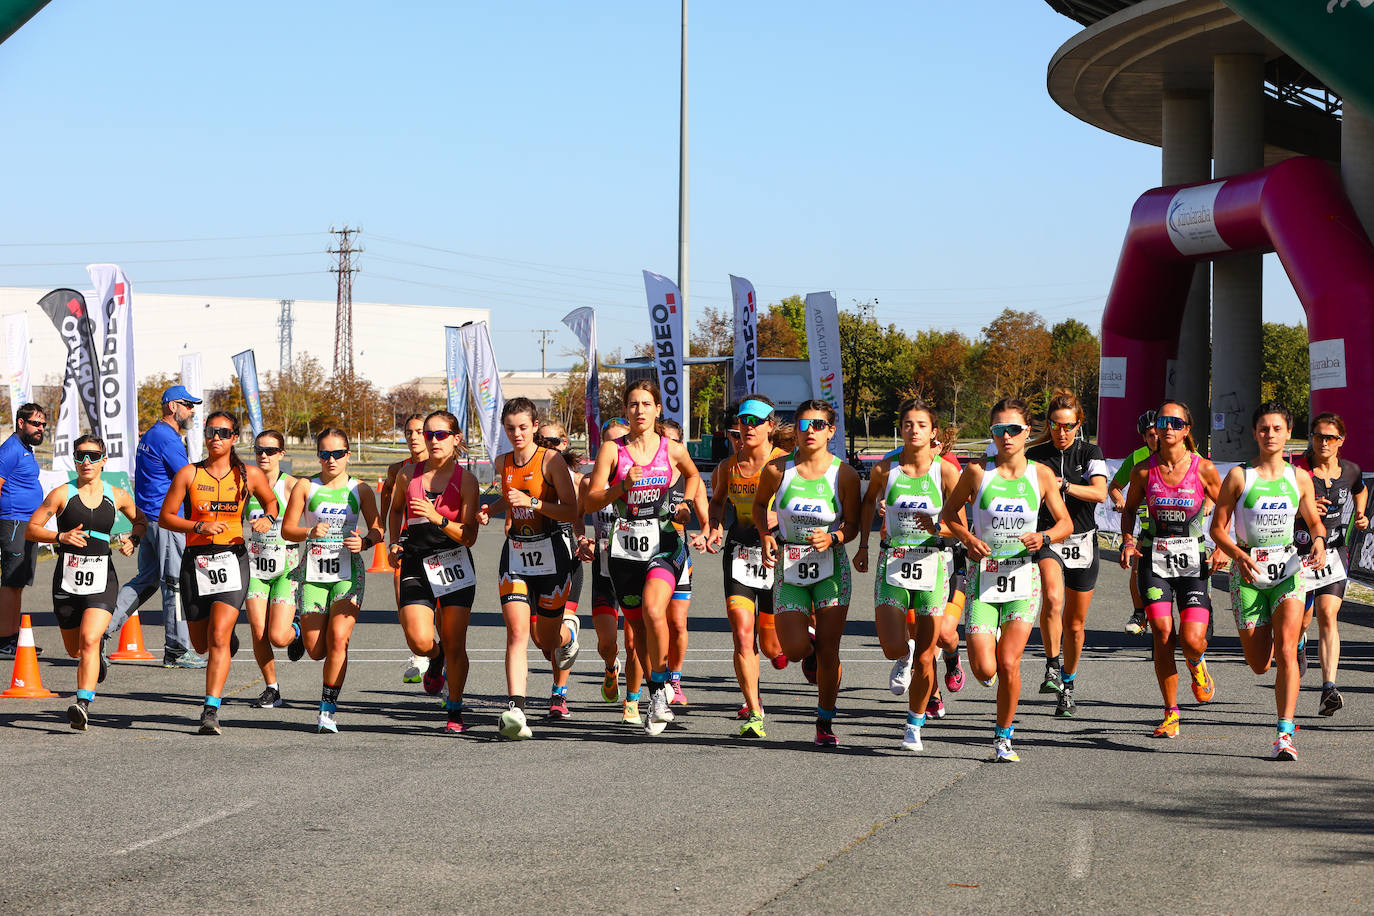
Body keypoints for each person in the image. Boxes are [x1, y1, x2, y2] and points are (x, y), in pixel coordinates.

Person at [943, 398, 1071, 762]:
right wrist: (968, 539)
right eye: (999, 430)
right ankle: (993, 671)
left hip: (1022, 577)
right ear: (992, 434)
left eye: (1014, 429)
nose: (1007, 436)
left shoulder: (1040, 474)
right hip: (983, 578)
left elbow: (1065, 524)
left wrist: (1044, 537)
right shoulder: (977, 472)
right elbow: (950, 514)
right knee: (986, 668)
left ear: (1027, 432)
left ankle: (1003, 736)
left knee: (1010, 662)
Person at [586, 381, 708, 737]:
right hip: (624, 548)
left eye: (646, 404)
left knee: (656, 611)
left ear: (657, 410)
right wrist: (621, 487)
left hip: (665, 542)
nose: (639, 410)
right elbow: (592, 501)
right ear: (626, 410)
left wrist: (684, 504)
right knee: (637, 629)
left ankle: (663, 683)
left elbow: (694, 475)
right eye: (633, 404)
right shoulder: (612, 450)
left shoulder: (672, 448)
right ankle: (656, 694)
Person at [1210, 402, 1326, 760]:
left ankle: (1284, 733)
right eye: (1264, 428)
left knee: (1287, 652)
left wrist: (1319, 540)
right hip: (1247, 572)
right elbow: (1217, 528)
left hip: (1288, 570)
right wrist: (1239, 554)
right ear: (1255, 433)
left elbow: (1313, 520)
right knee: (1260, 663)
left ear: (1289, 433)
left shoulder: (1299, 478)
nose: (1270, 434)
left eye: (1277, 428)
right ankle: (1285, 636)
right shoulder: (1239, 477)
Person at [159, 411, 279, 735]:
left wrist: (268, 517)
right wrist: (198, 525)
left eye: (224, 432)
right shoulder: (188, 474)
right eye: (212, 431)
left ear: (234, 438)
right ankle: (224, 639)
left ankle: (210, 710)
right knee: (201, 644)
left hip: (232, 559)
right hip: (196, 560)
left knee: (218, 636)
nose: (216, 437)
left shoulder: (248, 474)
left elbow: (271, 502)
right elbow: (165, 517)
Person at [854, 398, 961, 752]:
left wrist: (941, 527)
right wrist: (865, 546)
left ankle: (914, 724)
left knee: (928, 654)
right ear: (900, 429)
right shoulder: (886, 470)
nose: (913, 430)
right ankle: (905, 652)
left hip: (932, 564)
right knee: (892, 646)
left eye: (921, 425)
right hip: (893, 563)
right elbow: (868, 501)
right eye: (908, 424)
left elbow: (965, 523)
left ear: (934, 433)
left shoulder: (944, 471)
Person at [753, 399, 861, 747]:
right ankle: (809, 646)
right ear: (795, 430)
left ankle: (825, 720)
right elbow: (758, 506)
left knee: (830, 650)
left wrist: (833, 537)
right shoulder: (776, 470)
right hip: (789, 565)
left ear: (831, 431)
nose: (810, 431)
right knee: (795, 649)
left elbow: (854, 525)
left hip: (831, 569)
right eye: (803, 425)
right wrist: (766, 534)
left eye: (818, 425)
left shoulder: (843, 474)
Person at [476, 397, 581, 740]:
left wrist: (534, 502)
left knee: (547, 641)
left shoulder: (550, 460)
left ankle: (569, 635)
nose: (516, 434)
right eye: (510, 428)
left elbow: (571, 510)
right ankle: (516, 708)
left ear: (535, 426)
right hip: (517, 555)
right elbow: (510, 496)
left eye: (522, 427)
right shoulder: (502, 461)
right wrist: (489, 509)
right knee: (517, 632)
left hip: (551, 553)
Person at [24, 435, 145, 729]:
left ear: (104, 460)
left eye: (92, 455)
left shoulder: (117, 495)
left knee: (90, 639)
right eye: (80, 456)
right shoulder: (61, 494)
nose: (86, 462)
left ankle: (82, 703)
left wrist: (134, 539)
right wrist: (59, 536)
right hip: (67, 580)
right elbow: (31, 529)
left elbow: (140, 520)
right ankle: (96, 660)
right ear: (74, 460)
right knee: (74, 649)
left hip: (103, 577)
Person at [1119, 400, 1223, 738]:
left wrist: (1221, 546)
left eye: (1176, 423)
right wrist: (1127, 541)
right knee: (1162, 633)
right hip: (1154, 557)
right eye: (1164, 422)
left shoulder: (1203, 469)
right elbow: (1130, 508)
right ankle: (1171, 712)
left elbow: (1226, 506)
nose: (1168, 428)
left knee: (1192, 641)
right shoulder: (1143, 470)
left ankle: (1196, 664)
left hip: (1192, 559)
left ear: (1186, 430)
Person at [281, 428, 383, 733]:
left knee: (339, 638)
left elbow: (377, 530)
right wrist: (309, 532)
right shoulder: (305, 486)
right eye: (325, 454)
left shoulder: (360, 489)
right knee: (316, 650)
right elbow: (288, 529)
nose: (331, 460)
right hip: (313, 573)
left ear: (348, 455)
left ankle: (327, 709)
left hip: (348, 574)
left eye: (338, 453)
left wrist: (365, 543)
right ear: (318, 456)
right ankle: (300, 629)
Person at [389, 411, 479, 733]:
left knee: (456, 642)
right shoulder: (407, 476)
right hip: (415, 561)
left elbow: (469, 536)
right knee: (419, 640)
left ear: (456, 439)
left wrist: (436, 517)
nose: (433, 440)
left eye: (441, 435)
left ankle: (454, 709)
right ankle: (435, 658)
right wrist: (395, 540)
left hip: (453, 562)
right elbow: (396, 508)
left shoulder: (466, 481)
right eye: (429, 434)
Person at [104, 387, 205, 668]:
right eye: (188, 405)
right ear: (173, 406)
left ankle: (100, 631)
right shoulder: (167, 438)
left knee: (146, 580)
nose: (192, 410)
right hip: (166, 521)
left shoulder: (153, 434)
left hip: (150, 518)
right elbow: (189, 478)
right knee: (173, 584)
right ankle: (176, 649)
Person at [1025, 390, 1108, 718]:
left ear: (1079, 425)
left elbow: (1100, 493)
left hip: (1083, 542)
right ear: (1049, 424)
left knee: (1075, 624)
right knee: (1053, 600)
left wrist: (1064, 486)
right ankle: (1051, 666)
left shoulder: (1091, 452)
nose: (1062, 432)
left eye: (1069, 426)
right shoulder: (1036, 454)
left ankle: (1069, 683)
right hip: (1049, 540)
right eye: (1056, 425)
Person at [706, 397, 785, 738]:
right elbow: (717, 502)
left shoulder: (785, 463)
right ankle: (754, 710)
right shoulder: (728, 466)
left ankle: (803, 642)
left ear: (771, 425)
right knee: (742, 635)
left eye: (756, 421)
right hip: (739, 554)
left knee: (771, 647)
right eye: (743, 420)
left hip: (776, 555)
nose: (749, 427)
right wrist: (713, 527)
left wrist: (779, 516)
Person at [1293, 412, 1367, 716]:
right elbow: (1277, 505)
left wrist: (1360, 515)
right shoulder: (1296, 470)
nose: (1324, 442)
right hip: (1299, 554)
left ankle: (1329, 688)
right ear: (1311, 437)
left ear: (1341, 441)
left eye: (1331, 438)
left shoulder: (1349, 470)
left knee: (1328, 614)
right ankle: (1299, 644)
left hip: (1334, 554)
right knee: (1303, 620)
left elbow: (1360, 488)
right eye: (1319, 436)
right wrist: (1303, 512)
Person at [243, 429, 304, 709]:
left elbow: (311, 521)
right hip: (255, 565)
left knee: (278, 637)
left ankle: (297, 628)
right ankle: (272, 688)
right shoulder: (246, 486)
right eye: (259, 451)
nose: (263, 456)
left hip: (286, 567)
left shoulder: (292, 486)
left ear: (281, 453)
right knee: (258, 630)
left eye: (270, 451)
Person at [533, 420, 582, 719]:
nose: (549, 446)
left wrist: (585, 540)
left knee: (556, 633)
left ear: (564, 444)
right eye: (543, 441)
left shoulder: (577, 480)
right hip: (532, 560)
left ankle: (558, 694)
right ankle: (568, 638)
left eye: (554, 442)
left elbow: (581, 516)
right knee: (543, 640)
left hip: (566, 560)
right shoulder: (530, 474)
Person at [382, 414, 431, 685]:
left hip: (438, 545)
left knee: (439, 607)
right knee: (405, 603)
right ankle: (418, 652)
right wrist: (389, 538)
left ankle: (438, 660)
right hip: (406, 542)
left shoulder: (443, 467)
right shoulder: (398, 469)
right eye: (409, 431)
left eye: (419, 431)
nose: (413, 436)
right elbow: (390, 504)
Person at [661, 418, 703, 706]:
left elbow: (709, 519)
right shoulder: (645, 472)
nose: (667, 447)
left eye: (673, 441)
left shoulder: (689, 476)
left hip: (678, 556)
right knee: (654, 620)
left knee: (676, 623)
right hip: (646, 554)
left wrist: (708, 532)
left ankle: (674, 680)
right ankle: (656, 679)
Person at [0, 402, 47, 657]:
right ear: (21, 423)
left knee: (17, 583)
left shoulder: (25, 448)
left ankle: (13, 636)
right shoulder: (10, 450)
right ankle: (4, 639)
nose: (40, 429)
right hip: (14, 522)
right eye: (35, 424)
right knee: (10, 582)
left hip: (27, 523)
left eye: (43, 425)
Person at [1110, 411, 1159, 636]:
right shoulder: (1137, 457)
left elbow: (1208, 481)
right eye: (1150, 435)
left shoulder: (1184, 453)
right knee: (1137, 570)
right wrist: (1119, 499)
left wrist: (1207, 503)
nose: (1156, 438)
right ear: (1143, 437)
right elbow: (1114, 486)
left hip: (1180, 529)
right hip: (1148, 528)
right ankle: (1139, 613)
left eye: (1158, 433)